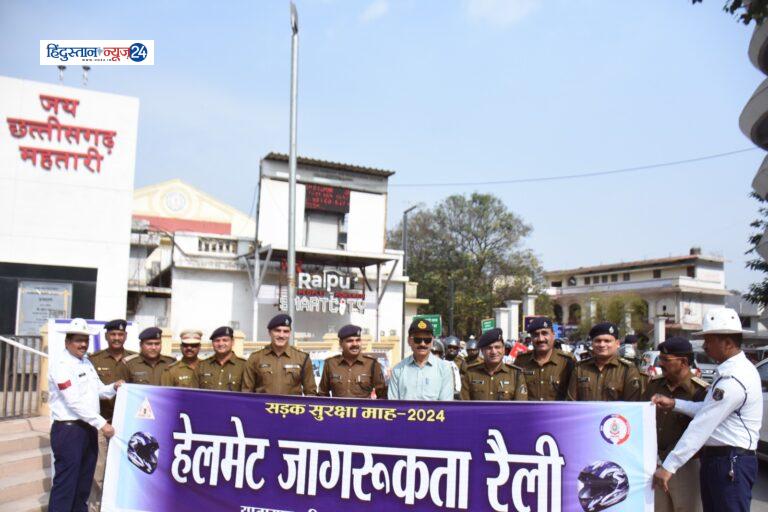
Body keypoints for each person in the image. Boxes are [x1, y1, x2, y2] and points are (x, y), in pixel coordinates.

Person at [652, 308, 763, 512]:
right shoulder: (730, 371)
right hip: (720, 459)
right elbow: (706, 409)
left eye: (709, 340)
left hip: (730, 461)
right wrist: (675, 403)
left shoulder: (733, 379)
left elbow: (702, 424)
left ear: (728, 343)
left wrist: (669, 466)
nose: (704, 346)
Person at [48, 318, 123, 512]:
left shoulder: (86, 362)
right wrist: (101, 424)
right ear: (67, 342)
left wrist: (114, 387)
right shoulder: (61, 364)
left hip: (88, 429)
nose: (83, 344)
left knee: (83, 485)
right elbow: (73, 402)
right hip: (69, 431)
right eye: (78, 340)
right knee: (66, 485)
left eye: (86, 340)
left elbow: (98, 390)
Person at [643, 336, 708, 512]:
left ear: (684, 362)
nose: (661, 364)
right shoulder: (654, 385)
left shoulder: (700, 391)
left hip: (685, 466)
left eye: (666, 360)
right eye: (660, 359)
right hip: (654, 463)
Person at [88, 319, 132, 512]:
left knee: (126, 470)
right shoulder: (94, 360)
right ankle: (96, 508)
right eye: (113, 334)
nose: (116, 338)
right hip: (102, 424)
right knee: (99, 470)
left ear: (125, 336)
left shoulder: (134, 359)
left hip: (128, 426)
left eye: (120, 334)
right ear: (106, 336)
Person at [566, 322, 643, 401]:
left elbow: (633, 405)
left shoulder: (628, 369)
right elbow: (571, 403)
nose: (602, 345)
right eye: (598, 341)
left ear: (617, 344)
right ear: (592, 344)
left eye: (607, 341)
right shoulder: (580, 368)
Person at [243, 314, 316, 395]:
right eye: (277, 330)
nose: (281, 335)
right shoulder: (255, 358)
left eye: (286, 331)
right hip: (261, 407)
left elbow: (311, 393)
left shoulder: (302, 358)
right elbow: (246, 393)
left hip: (290, 407)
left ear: (290, 333)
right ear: (270, 332)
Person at [388, 318, 454, 400]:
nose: (422, 344)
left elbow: (446, 406)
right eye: (417, 340)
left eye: (427, 340)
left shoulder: (444, 368)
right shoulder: (398, 370)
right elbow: (394, 405)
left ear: (432, 341)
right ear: (409, 341)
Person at [515, 317, 575, 401]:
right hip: (529, 413)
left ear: (553, 335)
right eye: (535, 335)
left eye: (544, 333)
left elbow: (574, 395)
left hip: (558, 413)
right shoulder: (521, 361)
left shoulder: (567, 361)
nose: (540, 339)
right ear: (531, 338)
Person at [318, 324, 387, 398]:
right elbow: (323, 394)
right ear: (341, 343)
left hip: (363, 409)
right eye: (350, 341)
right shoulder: (331, 364)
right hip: (339, 409)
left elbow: (382, 395)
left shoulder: (372, 364)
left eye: (358, 340)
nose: (355, 344)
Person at [460, 328, 527, 400]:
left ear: (503, 349)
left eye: (497, 347)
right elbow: (464, 406)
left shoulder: (516, 374)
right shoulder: (471, 373)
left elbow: (520, 407)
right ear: (482, 351)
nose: (494, 352)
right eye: (489, 348)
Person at [194, 326, 246, 391]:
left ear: (232, 342)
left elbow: (248, 393)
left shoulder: (244, 366)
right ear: (212, 343)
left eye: (225, 340)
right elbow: (194, 393)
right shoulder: (202, 366)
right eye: (217, 340)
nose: (221, 344)